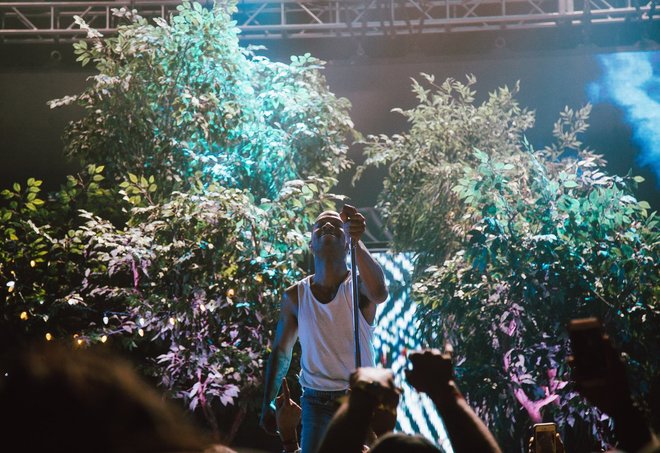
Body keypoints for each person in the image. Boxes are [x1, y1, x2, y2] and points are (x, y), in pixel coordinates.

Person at [259, 205, 389, 453]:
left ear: (347, 242)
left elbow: (380, 293)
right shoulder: (295, 297)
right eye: (320, 225)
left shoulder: (358, 287)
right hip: (315, 401)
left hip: (360, 396)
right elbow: (282, 352)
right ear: (311, 244)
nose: (328, 225)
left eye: (337, 225)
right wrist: (268, 402)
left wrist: (357, 240)